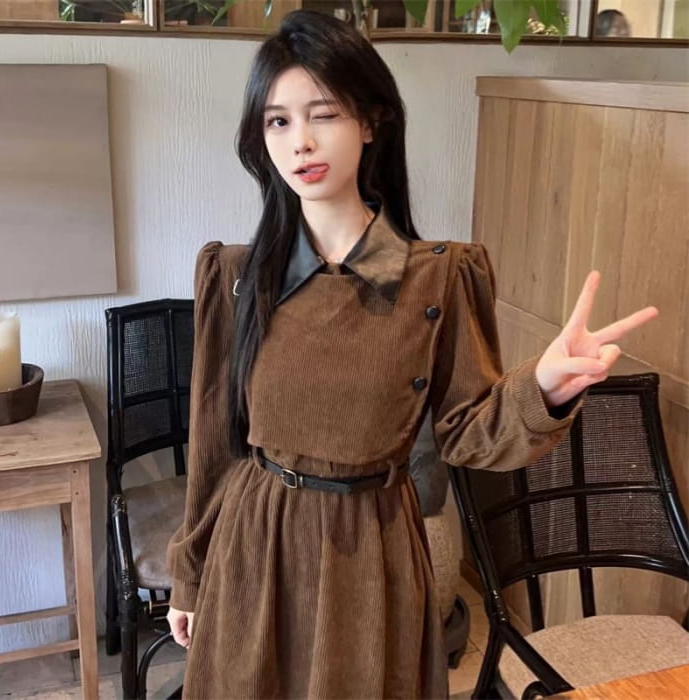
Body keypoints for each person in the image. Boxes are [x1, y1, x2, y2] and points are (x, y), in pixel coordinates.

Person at [166, 9, 657, 699]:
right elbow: (215, 444)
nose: (300, 140)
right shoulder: (237, 277)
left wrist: (543, 386)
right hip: (257, 546)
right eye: (278, 121)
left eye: (324, 114)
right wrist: (191, 574)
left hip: (375, 553)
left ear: (371, 122)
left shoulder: (439, 277)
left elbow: (469, 431)